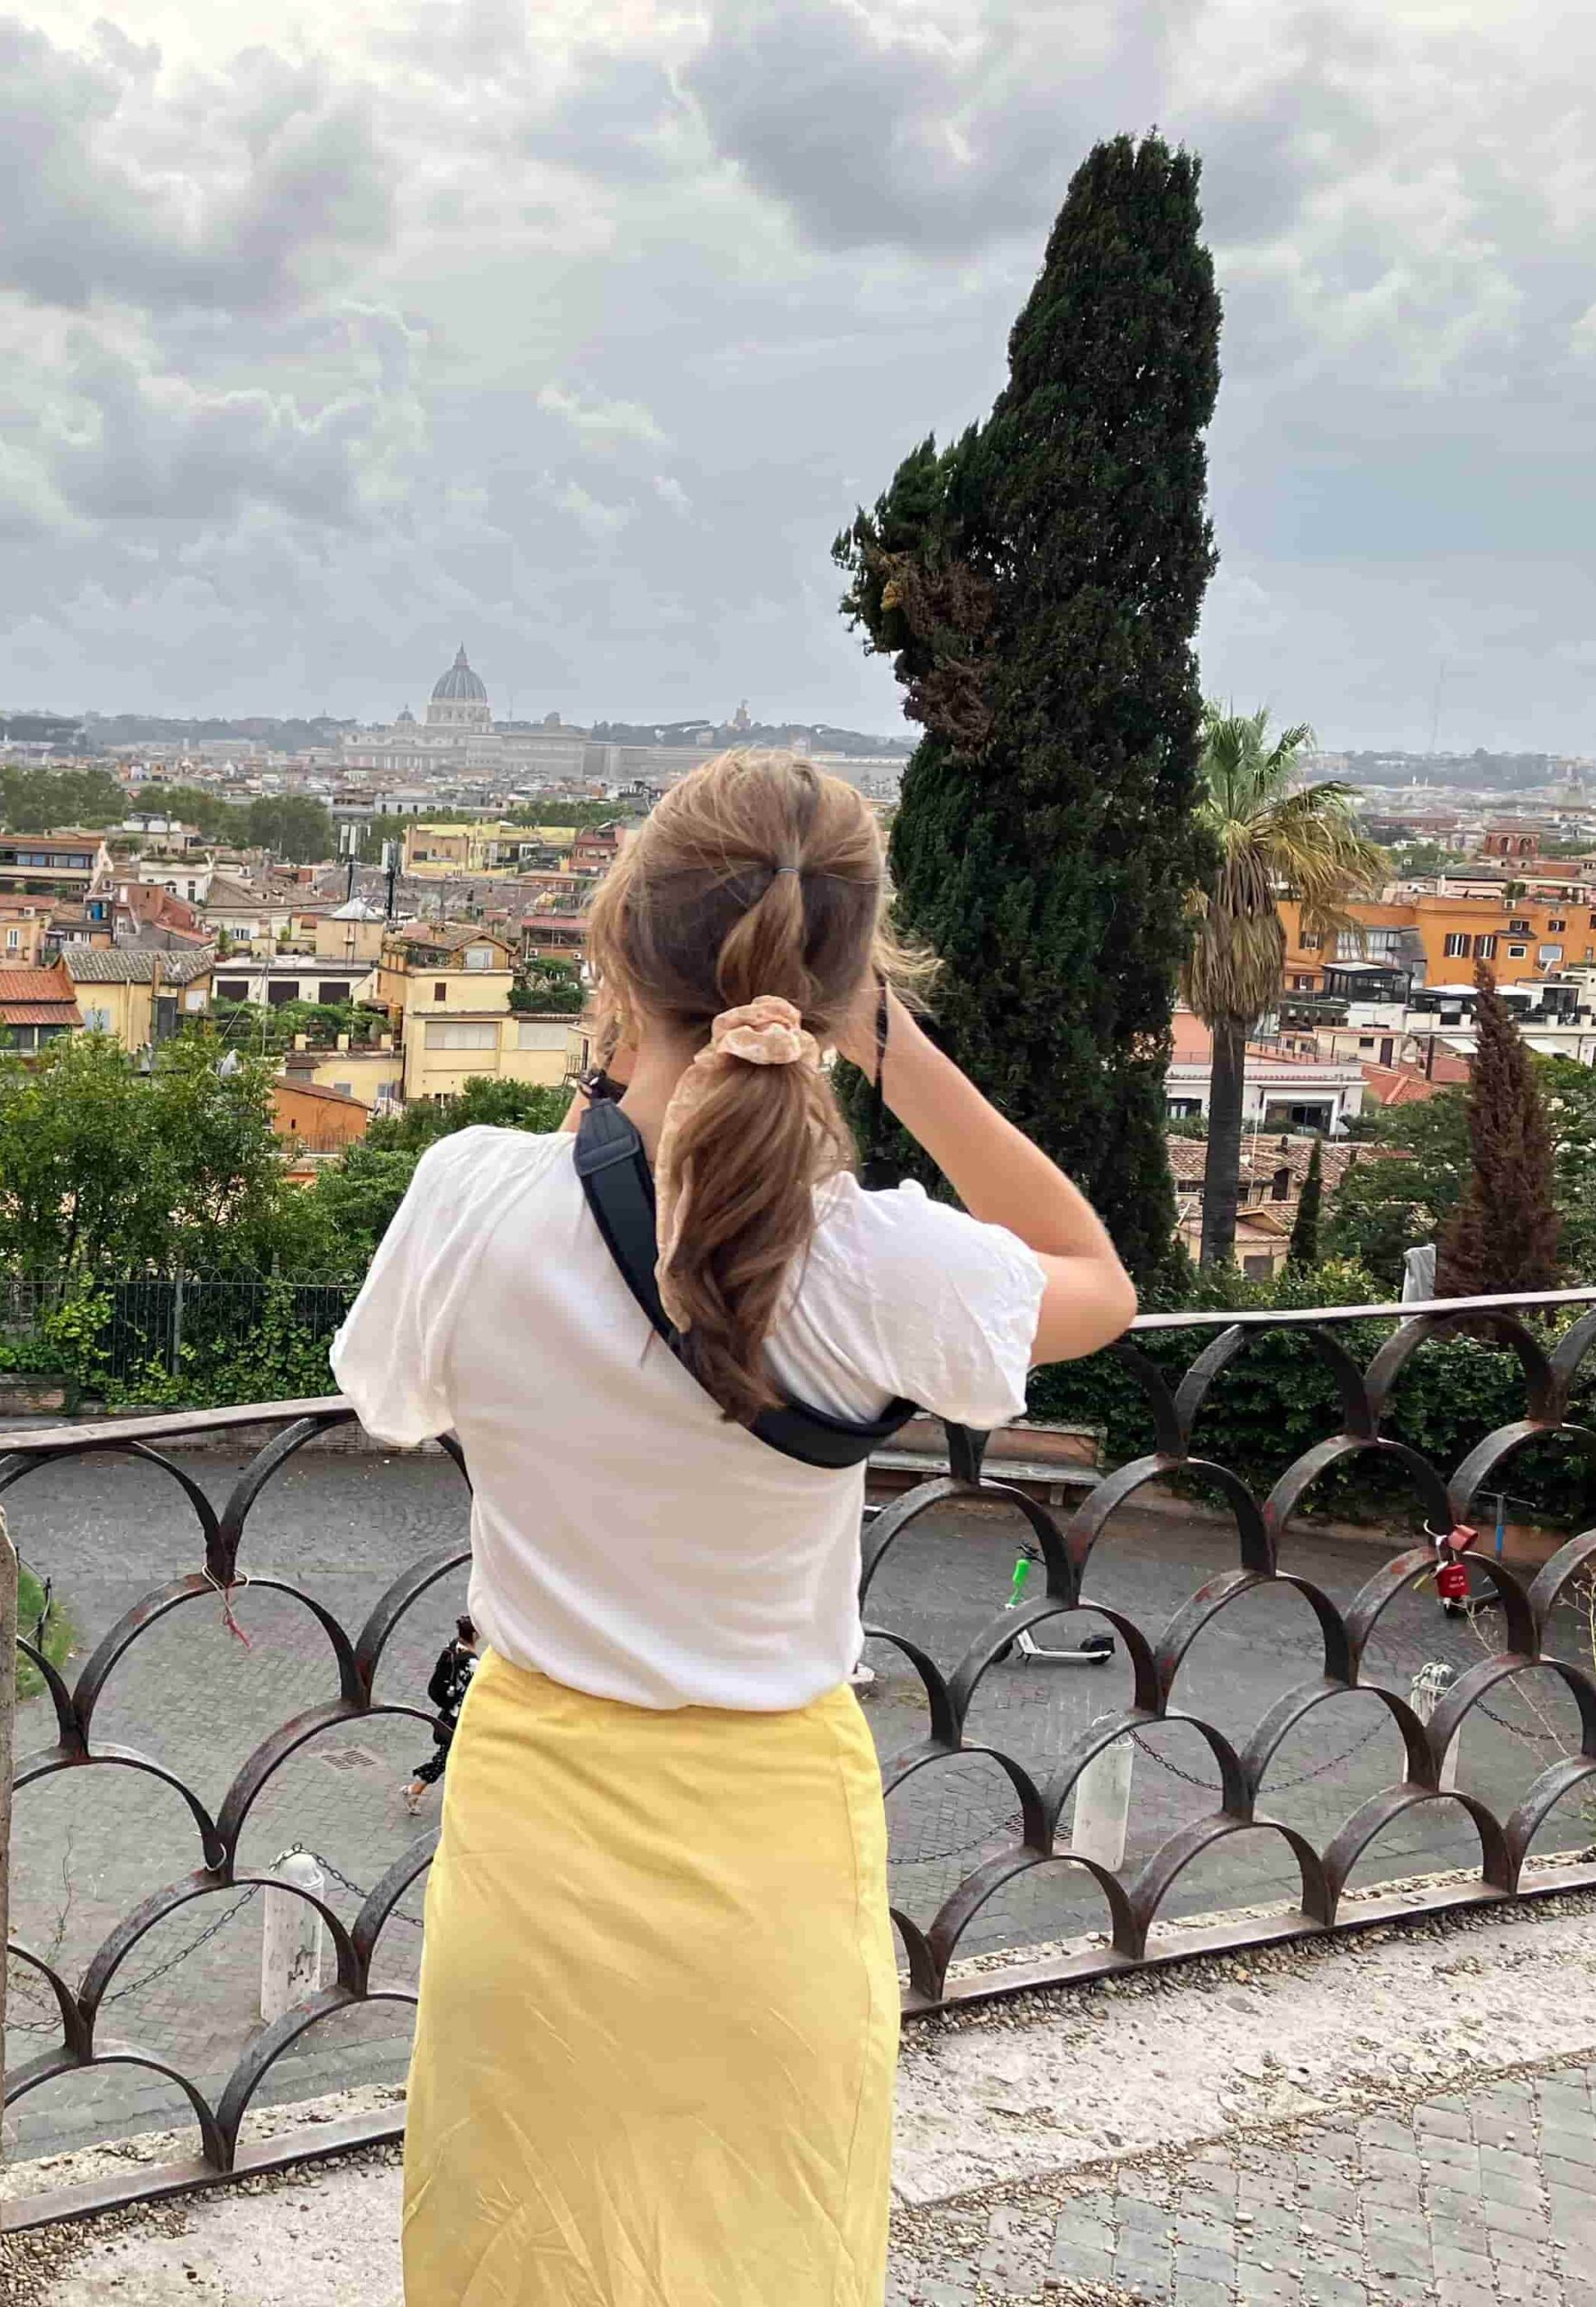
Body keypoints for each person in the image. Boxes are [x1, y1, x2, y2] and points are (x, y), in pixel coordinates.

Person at [330, 749, 1136, 2307]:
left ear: (616, 938)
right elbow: (1088, 1273)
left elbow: (394, 1397)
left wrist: (609, 1085)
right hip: (769, 1846)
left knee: (520, 2255)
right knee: (766, 2252)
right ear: (839, 986)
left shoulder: (469, 1200)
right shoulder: (872, 1266)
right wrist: (883, 1045)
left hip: (537, 1831)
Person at [403, 1615, 479, 1813]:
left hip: (450, 1711)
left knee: (457, 1753)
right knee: (446, 1756)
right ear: (475, 1633)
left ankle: (464, 1790)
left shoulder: (453, 1647)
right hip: (460, 1717)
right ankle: (415, 1789)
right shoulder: (472, 1664)